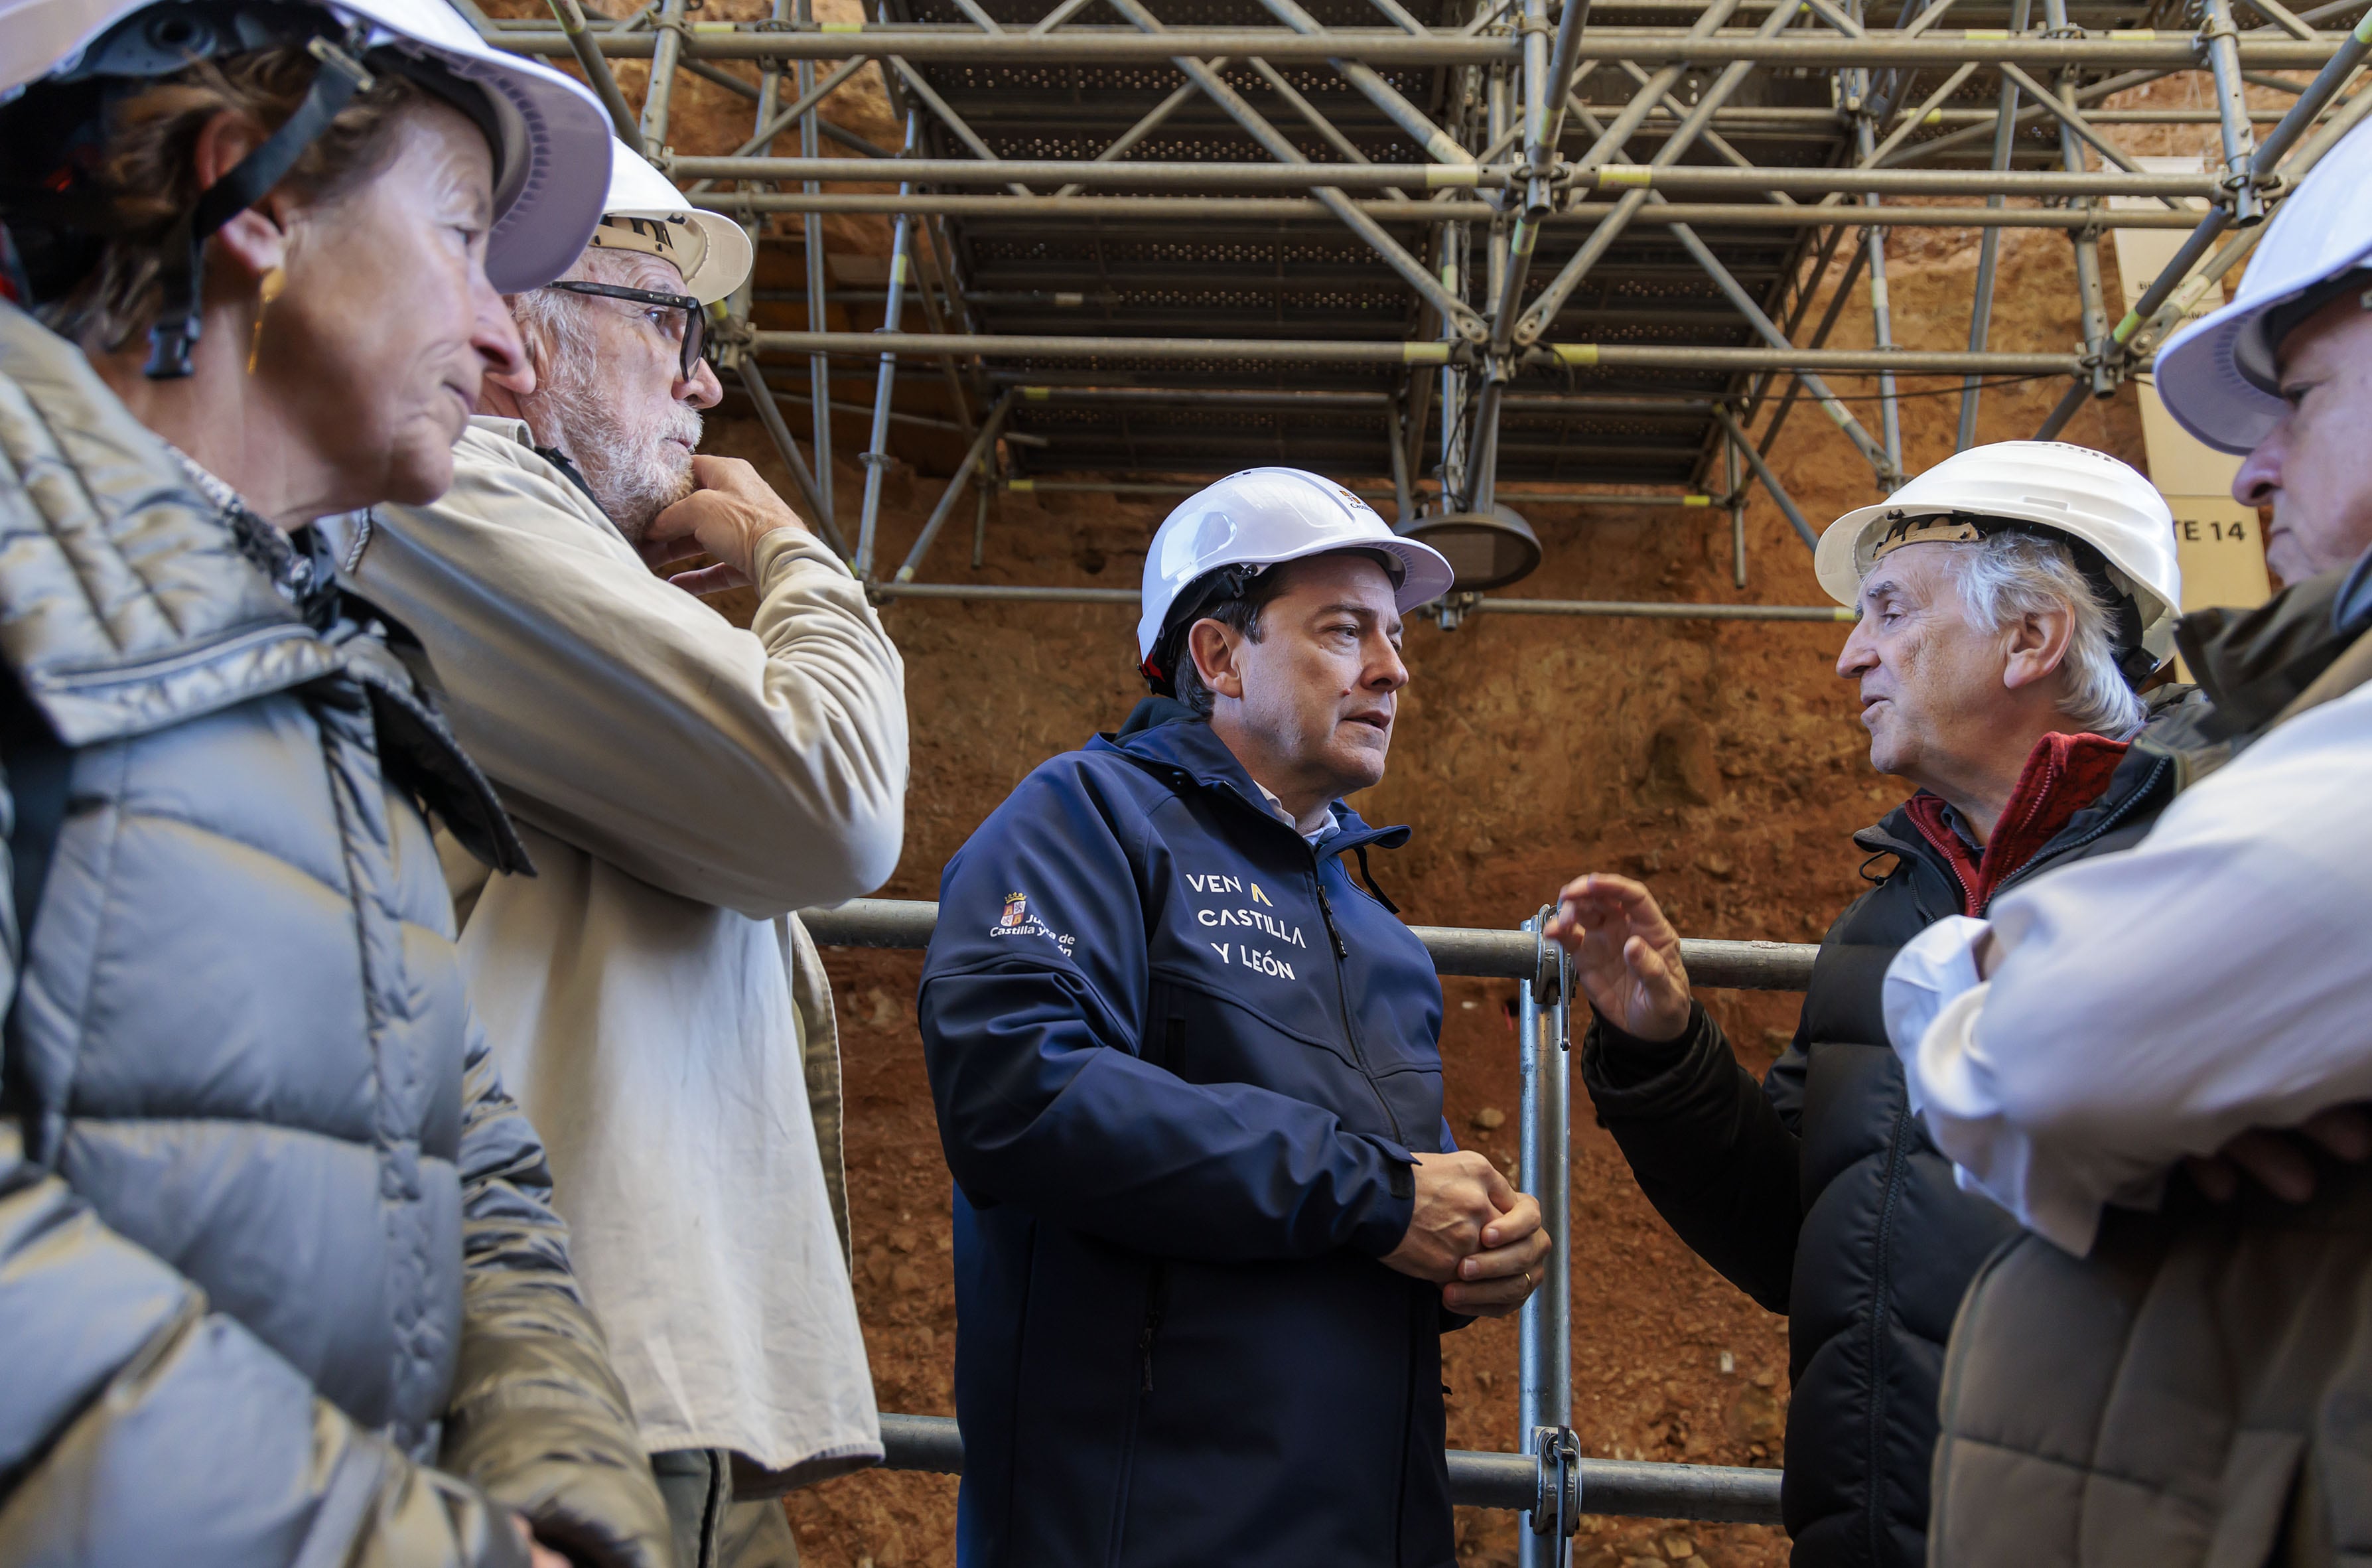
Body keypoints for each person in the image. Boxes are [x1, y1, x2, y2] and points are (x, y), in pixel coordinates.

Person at [0, 2, 671, 1563]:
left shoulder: (312, 678)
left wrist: (561, 1497)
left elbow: (470, 1163)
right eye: (458, 235)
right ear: (253, 200)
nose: (509, 346)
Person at [327, 140, 906, 1568]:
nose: (706, 387)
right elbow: (832, 800)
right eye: (672, 326)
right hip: (545, 1382)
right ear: (525, 327)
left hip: (616, 1365)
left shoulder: (531, 538)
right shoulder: (452, 490)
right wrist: (788, 551)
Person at [1540, 441, 2186, 1568]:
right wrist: (1665, 1052)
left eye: (1889, 609)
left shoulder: (2215, 878)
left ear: (2032, 638)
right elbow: (1800, 1237)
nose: (1850, 657)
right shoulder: (1884, 927)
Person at [1882, 115, 2372, 1567]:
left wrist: (1971, 995)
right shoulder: (1892, 876)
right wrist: (1663, 1065)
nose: (2249, 472)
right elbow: (1829, 1214)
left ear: (2036, 635)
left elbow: (2045, 1056)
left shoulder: (2223, 782)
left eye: (2300, 397)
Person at [915, 468, 1549, 1568]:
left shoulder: (1378, 931)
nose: (1395, 669)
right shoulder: (1084, 820)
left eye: (1395, 636)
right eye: (1347, 631)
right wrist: (1379, 1193)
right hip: (1148, 1533)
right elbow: (1018, 1090)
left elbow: (1373, 1213)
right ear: (1217, 656)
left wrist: (1474, 1250)